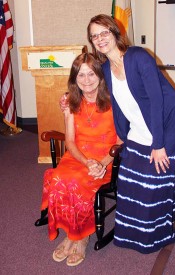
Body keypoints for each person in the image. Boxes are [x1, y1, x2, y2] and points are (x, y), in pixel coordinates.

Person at [86, 14, 175, 254]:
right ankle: (131, 232)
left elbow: (156, 101)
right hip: (138, 130)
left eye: (104, 32)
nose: (100, 39)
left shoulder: (138, 57)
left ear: (115, 32)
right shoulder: (105, 69)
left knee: (155, 184)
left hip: (165, 127)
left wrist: (159, 143)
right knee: (130, 183)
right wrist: (68, 99)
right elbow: (105, 98)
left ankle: (157, 233)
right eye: (94, 35)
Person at [41, 52, 120, 266]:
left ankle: (81, 237)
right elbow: (70, 142)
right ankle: (71, 233)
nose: (86, 80)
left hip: (106, 160)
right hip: (78, 157)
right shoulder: (71, 102)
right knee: (58, 178)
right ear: (74, 78)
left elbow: (122, 140)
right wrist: (87, 162)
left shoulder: (115, 101)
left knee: (77, 183)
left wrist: (102, 163)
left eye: (91, 74)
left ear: (100, 76)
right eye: (81, 75)